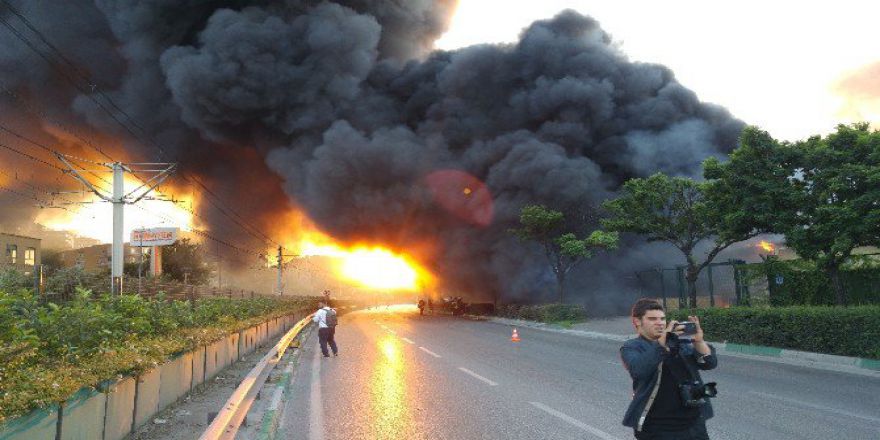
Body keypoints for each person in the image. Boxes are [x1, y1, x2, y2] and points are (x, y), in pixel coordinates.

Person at [620, 298, 718, 439]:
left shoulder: (680, 343)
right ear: (637, 321)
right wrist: (663, 342)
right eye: (653, 319)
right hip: (658, 427)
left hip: (693, 423)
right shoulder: (633, 347)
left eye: (662, 318)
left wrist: (699, 341)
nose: (660, 322)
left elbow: (709, 363)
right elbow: (639, 369)